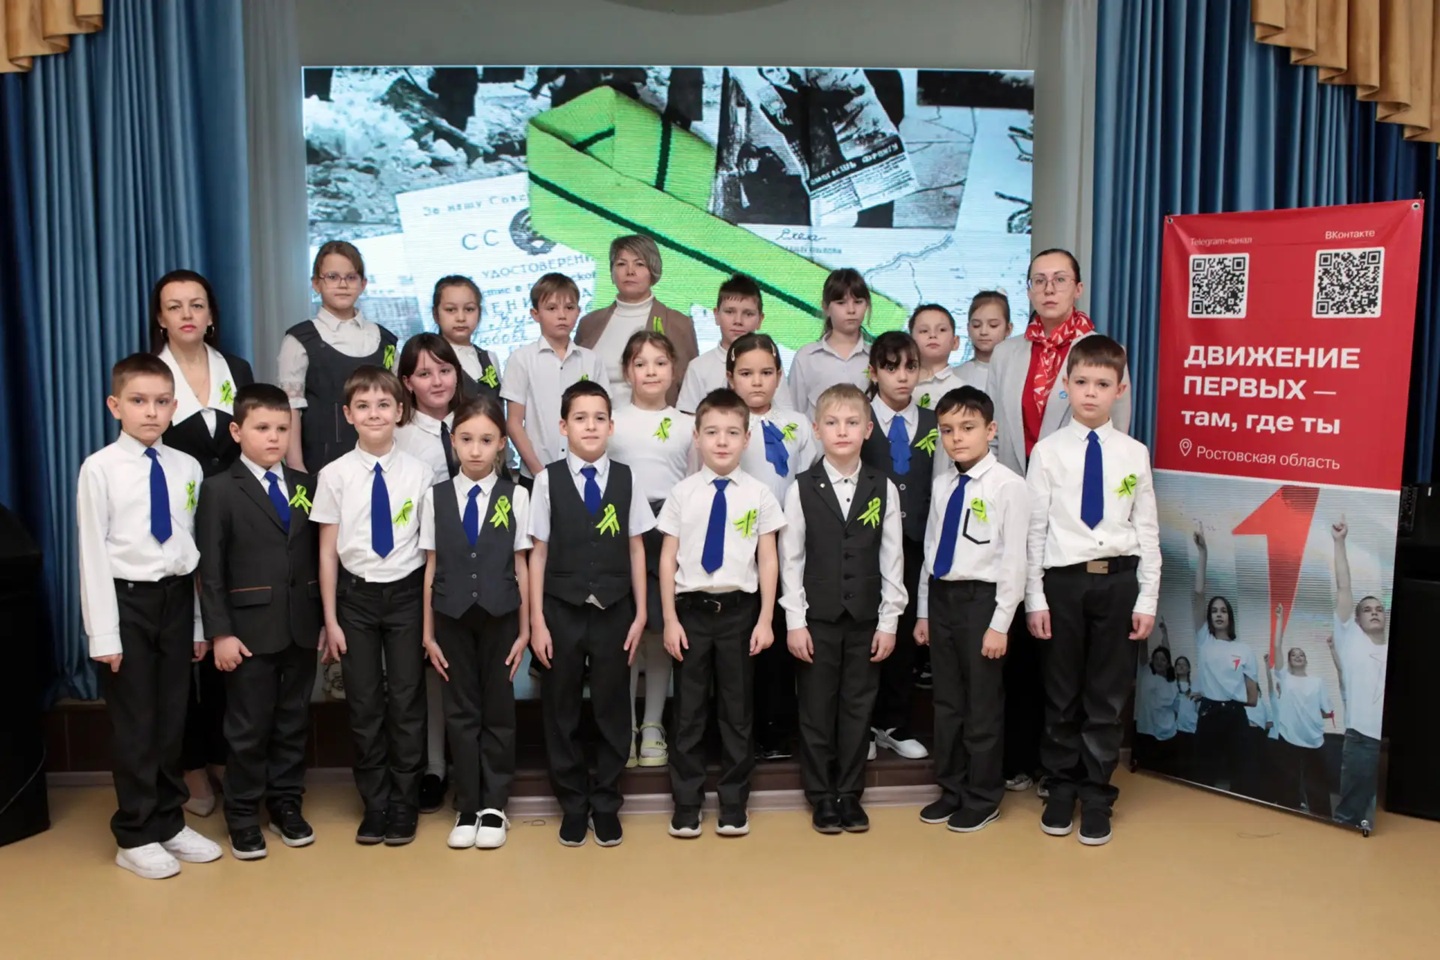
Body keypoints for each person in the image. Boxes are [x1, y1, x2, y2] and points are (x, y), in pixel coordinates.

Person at [989, 250, 1133, 799]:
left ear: (1078, 288)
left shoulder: (1100, 351)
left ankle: (1067, 772)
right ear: (1028, 289)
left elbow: (1112, 444)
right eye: (1039, 281)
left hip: (1073, 521)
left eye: (1060, 280)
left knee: (1066, 655)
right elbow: (994, 430)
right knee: (1022, 634)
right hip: (1014, 503)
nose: (1048, 289)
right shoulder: (1008, 352)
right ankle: (1023, 757)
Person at [77, 353, 223, 878]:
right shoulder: (100, 468)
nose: (151, 411)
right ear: (115, 405)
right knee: (136, 722)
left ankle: (168, 821)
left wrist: (199, 625)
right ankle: (135, 833)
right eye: (138, 401)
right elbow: (92, 553)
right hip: (127, 602)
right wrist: (104, 634)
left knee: (172, 718)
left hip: (177, 600)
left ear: (174, 406)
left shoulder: (186, 467)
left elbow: (191, 550)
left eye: (162, 402)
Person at [1025, 335, 1159, 846]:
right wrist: (1034, 597)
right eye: (1081, 382)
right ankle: (1060, 787)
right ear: (1066, 384)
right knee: (1061, 693)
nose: (1090, 392)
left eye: (1102, 384)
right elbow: (1035, 530)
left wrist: (1147, 597)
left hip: (1118, 582)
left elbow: (1147, 530)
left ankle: (1097, 792)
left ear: (1119, 390)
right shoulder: (1047, 452)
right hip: (1063, 583)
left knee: (1106, 695)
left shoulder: (1134, 453)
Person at [194, 384, 323, 861]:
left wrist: (322, 619)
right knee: (248, 727)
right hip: (246, 631)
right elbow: (210, 569)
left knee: (292, 721)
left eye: (282, 429)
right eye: (262, 428)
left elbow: (315, 555)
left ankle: (286, 803)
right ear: (237, 431)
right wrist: (220, 632)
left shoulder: (305, 485)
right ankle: (243, 814)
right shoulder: (219, 489)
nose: (274, 437)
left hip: (301, 624)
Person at [527, 380, 653, 848]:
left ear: (611, 426)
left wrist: (640, 613)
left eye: (600, 418)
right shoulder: (547, 481)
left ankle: (606, 802)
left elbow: (636, 548)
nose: (591, 426)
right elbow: (537, 554)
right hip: (561, 611)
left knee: (611, 709)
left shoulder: (627, 478)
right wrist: (537, 621)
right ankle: (573, 804)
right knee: (560, 710)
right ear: (563, 427)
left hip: (614, 611)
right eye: (580, 418)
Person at [148, 269, 255, 818]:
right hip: (171, 529)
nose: (187, 314)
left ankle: (219, 754)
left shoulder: (236, 369)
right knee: (179, 653)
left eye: (196, 304)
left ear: (211, 313)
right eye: (175, 306)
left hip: (232, 526)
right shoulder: (150, 375)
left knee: (222, 644)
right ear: (160, 317)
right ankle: (188, 764)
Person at [311, 365, 433, 846]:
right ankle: (375, 802)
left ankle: (404, 802)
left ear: (400, 411)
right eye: (363, 406)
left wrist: (427, 619)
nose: (374, 413)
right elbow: (326, 552)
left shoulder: (420, 473)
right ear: (348, 414)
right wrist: (330, 619)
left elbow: (429, 552)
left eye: (384, 404)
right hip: (355, 600)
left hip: (406, 595)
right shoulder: (334, 475)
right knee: (363, 704)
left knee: (406, 701)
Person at [659, 388, 784, 838]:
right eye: (712, 432)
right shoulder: (682, 493)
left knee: (737, 712)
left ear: (747, 439)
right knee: (689, 713)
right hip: (691, 612)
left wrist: (765, 619)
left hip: (739, 613)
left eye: (732, 432)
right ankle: (687, 803)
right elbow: (667, 559)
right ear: (696, 437)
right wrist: (669, 619)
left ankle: (734, 803)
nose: (722, 441)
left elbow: (768, 559)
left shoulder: (760, 494)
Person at [780, 384, 904, 833]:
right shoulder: (801, 488)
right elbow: (791, 560)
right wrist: (795, 622)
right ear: (816, 430)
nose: (842, 431)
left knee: (857, 709)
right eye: (832, 423)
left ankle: (850, 793)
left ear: (868, 429)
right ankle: (820, 795)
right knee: (816, 709)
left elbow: (892, 558)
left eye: (852, 422)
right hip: (817, 620)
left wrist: (889, 622)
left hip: (866, 620)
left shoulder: (883, 486)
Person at [419, 394, 532, 850]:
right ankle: (467, 804)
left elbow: (521, 564)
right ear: (453, 442)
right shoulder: (436, 497)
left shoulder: (516, 495)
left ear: (502, 443)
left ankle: (495, 806)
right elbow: (431, 565)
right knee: (460, 711)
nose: (476, 449)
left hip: (501, 616)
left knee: (498, 710)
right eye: (466, 439)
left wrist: (526, 629)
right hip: (450, 617)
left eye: (486, 440)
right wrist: (427, 632)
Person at [913, 386, 1028, 832]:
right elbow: (931, 550)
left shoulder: (1008, 486)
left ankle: (983, 796)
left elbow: (1014, 561)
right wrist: (924, 611)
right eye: (947, 430)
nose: (957, 438)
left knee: (981, 705)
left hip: (983, 602)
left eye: (967, 427)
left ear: (990, 429)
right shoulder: (943, 485)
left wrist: (1000, 624)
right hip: (943, 598)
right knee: (947, 702)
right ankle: (952, 788)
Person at [729, 332, 818, 760]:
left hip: (786, 543)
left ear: (780, 376)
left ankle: (778, 731)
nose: (757, 381)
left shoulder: (798, 423)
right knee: (741, 640)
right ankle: (739, 733)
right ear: (731, 377)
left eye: (766, 372)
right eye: (746, 373)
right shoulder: (724, 423)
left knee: (780, 637)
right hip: (736, 544)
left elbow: (810, 480)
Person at [609, 331, 696, 768]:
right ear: (627, 371)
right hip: (621, 527)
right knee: (627, 631)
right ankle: (623, 726)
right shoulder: (611, 420)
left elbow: (695, 481)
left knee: (661, 630)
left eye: (660, 363)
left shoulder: (687, 423)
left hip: (669, 528)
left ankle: (653, 725)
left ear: (674, 370)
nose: (651, 371)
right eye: (641, 363)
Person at [394, 333, 465, 814]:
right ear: (407, 382)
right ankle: (435, 766)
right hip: (421, 563)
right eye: (424, 373)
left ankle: (472, 762)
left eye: (444, 370)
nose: (436, 381)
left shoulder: (476, 421)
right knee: (431, 666)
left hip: (475, 562)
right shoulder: (398, 435)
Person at [859, 332, 933, 761]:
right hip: (867, 546)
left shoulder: (935, 421)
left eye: (910, 367)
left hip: (917, 544)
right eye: (890, 367)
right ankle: (862, 724)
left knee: (904, 636)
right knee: (867, 633)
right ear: (874, 372)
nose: (902, 376)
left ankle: (892, 723)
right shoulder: (859, 419)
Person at [280, 240, 400, 474]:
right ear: (316, 284)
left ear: (363, 284)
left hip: (382, 463)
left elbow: (397, 404)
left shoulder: (385, 340)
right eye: (332, 277)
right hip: (321, 464)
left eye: (351, 277)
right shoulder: (299, 340)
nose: (342, 285)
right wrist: (296, 466)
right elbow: (291, 408)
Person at [502, 272, 609, 485]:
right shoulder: (521, 359)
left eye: (569, 308)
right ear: (535, 314)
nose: (562, 315)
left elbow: (601, 418)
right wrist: (539, 472)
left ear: (578, 311)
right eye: (551, 308)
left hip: (584, 473)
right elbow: (514, 422)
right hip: (535, 474)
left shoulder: (591, 360)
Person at [575, 235, 699, 408]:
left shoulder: (678, 323)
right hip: (595, 421)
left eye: (639, 264)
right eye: (621, 264)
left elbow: (692, 391)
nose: (630, 271)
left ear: (653, 271)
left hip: (657, 422)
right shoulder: (589, 323)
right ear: (612, 272)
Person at [1190, 525, 1260, 792]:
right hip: (1208, 713)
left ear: (1230, 616)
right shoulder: (1204, 640)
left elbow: (1252, 698)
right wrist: (1203, 553)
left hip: (1235, 716)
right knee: (1204, 775)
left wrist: (1227, 696)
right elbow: (1199, 595)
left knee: (1241, 776)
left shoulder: (1245, 650)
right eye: (1214, 611)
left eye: (1223, 610)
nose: (1218, 614)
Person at [1329, 518, 1388, 828]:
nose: (1374, 612)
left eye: (1379, 609)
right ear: (1356, 619)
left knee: (1378, 815)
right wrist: (1339, 542)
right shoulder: (1351, 639)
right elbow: (1344, 586)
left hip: (1384, 743)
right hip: (1362, 740)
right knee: (1350, 817)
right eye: (1367, 609)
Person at [677, 273, 795, 414]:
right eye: (730, 312)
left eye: (748, 314)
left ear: (760, 319)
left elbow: (786, 415)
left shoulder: (770, 364)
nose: (738, 321)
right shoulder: (698, 367)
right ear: (716, 315)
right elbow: (687, 418)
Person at [1267, 618, 1335, 818]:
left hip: (1314, 739)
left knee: (1317, 786)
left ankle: (1322, 820)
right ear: (1288, 661)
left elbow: (1326, 711)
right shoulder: (1284, 678)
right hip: (1288, 738)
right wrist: (1279, 619)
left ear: (1306, 660)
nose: (1298, 656)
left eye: (1301, 654)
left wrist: (1308, 715)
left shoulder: (1317, 682)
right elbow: (1277, 646)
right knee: (1288, 784)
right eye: (1293, 655)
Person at [789, 268, 873, 419]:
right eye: (841, 303)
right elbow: (793, 415)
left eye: (858, 302)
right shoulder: (806, 357)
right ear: (826, 307)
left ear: (867, 305)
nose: (851, 310)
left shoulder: (876, 357)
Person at [431, 275, 503, 401]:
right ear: (436, 314)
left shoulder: (489, 358)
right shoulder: (429, 358)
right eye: (451, 310)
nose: (461, 318)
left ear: (479, 313)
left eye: (469, 309)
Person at [1133, 639, 1179, 770]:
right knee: (1146, 767)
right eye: (1156, 658)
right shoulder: (1147, 672)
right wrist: (1144, 636)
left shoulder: (1172, 682)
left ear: (1168, 664)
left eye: (1163, 659)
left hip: (1168, 731)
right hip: (1147, 729)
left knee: (1164, 767)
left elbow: (1176, 705)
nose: (1159, 662)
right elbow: (1142, 653)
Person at [955, 290, 1013, 393]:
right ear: (968, 328)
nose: (983, 332)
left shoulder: (1020, 373)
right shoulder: (955, 376)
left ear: (1008, 329)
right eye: (976, 325)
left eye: (993, 325)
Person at [908, 304, 961, 411]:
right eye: (924, 331)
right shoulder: (899, 381)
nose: (932, 335)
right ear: (909, 342)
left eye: (942, 330)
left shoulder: (961, 390)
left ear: (955, 342)